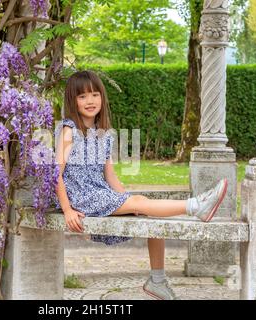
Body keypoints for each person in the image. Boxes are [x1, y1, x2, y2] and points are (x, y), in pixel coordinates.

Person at [54, 70, 228, 300]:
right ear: (72, 100)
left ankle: (157, 280)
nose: (90, 101)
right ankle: (196, 206)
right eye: (82, 96)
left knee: (146, 208)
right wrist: (67, 210)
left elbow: (110, 175)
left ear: (102, 98)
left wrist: (128, 200)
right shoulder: (69, 131)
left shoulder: (104, 134)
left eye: (95, 94)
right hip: (79, 198)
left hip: (99, 193)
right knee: (141, 203)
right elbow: (55, 173)